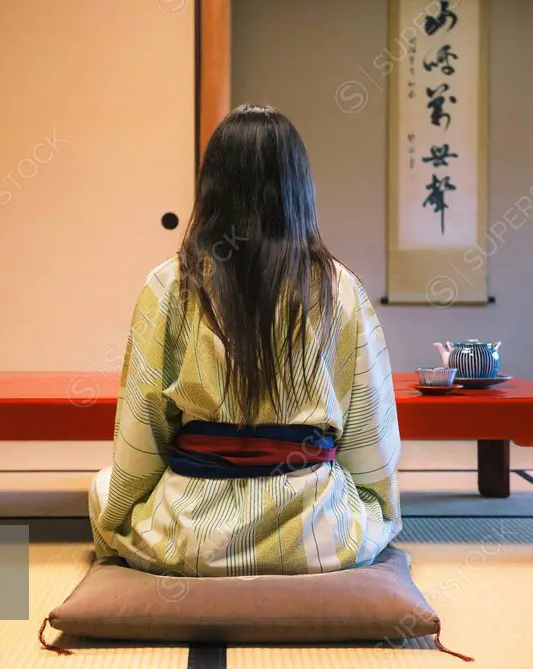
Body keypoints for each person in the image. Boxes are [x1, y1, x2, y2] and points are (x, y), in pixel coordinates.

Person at [88, 104, 402, 577]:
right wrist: (377, 506)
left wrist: (122, 518)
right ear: (298, 189)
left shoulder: (170, 283)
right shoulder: (339, 287)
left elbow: (142, 424)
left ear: (212, 186)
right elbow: (368, 428)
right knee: (363, 508)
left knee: (102, 487)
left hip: (193, 531)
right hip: (314, 529)